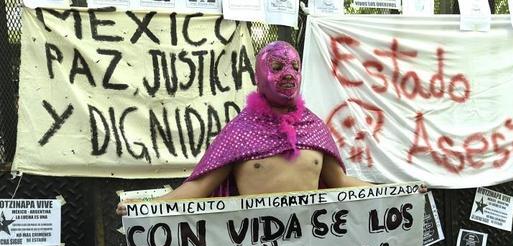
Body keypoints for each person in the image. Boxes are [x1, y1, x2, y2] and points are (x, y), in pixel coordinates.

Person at [117, 41, 424, 216]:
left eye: (294, 67)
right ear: (259, 76)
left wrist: (400, 192)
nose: (288, 74)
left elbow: (340, 182)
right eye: (277, 67)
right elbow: (198, 189)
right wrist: (144, 208)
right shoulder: (239, 132)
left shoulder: (314, 127)